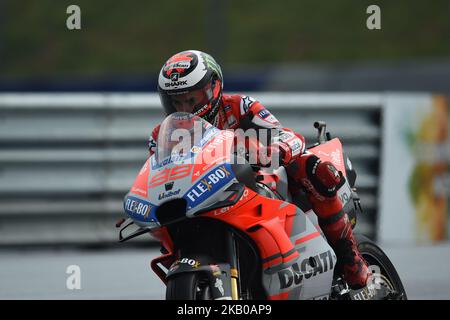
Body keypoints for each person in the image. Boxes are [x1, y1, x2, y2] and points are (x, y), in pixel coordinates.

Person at [149, 50, 370, 290]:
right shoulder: (162, 135)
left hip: (258, 183)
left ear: (213, 87)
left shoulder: (239, 107)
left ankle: (350, 258)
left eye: (191, 100)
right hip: (203, 198)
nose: (185, 108)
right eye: (177, 102)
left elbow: (287, 135)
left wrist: (277, 150)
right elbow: (159, 174)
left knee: (313, 167)